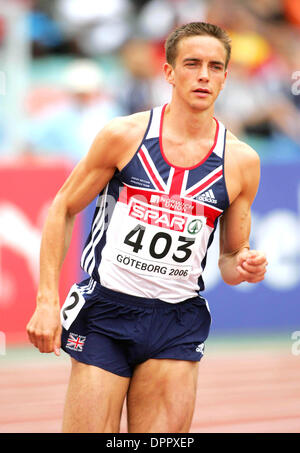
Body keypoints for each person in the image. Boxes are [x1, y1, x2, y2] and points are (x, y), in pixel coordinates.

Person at [26, 22, 268, 433]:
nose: (203, 75)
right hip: (106, 312)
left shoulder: (241, 162)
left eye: (214, 66)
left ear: (226, 77)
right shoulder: (125, 135)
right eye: (192, 64)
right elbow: (63, 207)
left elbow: (229, 259)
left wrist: (244, 264)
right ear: (170, 71)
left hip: (176, 321)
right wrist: (47, 300)